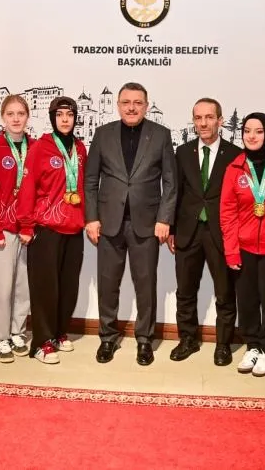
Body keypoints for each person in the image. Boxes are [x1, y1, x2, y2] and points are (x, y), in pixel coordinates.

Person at [84, 82, 177, 366]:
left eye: (138, 102)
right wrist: (91, 218)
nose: (132, 107)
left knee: (146, 285)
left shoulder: (161, 135)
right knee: (108, 284)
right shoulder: (102, 134)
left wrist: (164, 219)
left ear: (146, 106)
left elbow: (170, 182)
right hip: (108, 224)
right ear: (118, 105)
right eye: (126, 102)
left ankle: (145, 340)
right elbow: (90, 180)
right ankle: (107, 337)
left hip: (147, 225)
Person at [168, 98, 242, 365]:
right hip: (187, 231)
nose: (203, 123)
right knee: (185, 291)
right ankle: (187, 339)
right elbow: (175, 192)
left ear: (220, 120)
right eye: (198, 118)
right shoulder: (183, 152)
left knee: (225, 292)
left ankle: (223, 344)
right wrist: (172, 229)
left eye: (209, 117)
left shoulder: (235, 154)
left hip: (220, 233)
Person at [220, 112, 265, 377]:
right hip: (244, 247)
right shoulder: (234, 168)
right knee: (247, 300)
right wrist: (231, 250)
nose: (252, 136)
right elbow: (227, 213)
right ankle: (252, 346)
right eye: (247, 131)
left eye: (259, 131)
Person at [17, 97, 87, 364]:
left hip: (74, 227)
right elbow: (27, 188)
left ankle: (58, 332)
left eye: (70, 114)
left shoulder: (80, 148)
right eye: (60, 115)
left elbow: (84, 186)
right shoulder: (40, 148)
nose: (65, 119)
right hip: (46, 228)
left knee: (68, 286)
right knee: (45, 288)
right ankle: (41, 342)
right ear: (52, 118)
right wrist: (26, 225)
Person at [0, 95, 32, 363]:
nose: (15, 118)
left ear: (27, 116)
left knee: (23, 286)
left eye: (20, 113)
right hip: (2, 228)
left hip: (27, 229)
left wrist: (30, 225)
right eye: (10, 114)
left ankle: (17, 331)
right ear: (2, 117)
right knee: (1, 287)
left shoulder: (35, 147)